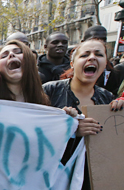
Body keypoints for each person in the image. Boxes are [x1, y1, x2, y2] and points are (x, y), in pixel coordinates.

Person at [43, 38, 124, 190]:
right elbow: (32, 131)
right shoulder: (49, 91)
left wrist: (120, 114)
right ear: (72, 64)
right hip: (53, 180)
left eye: (98, 54)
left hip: (92, 181)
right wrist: (69, 129)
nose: (92, 57)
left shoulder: (108, 99)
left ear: (105, 64)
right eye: (85, 54)